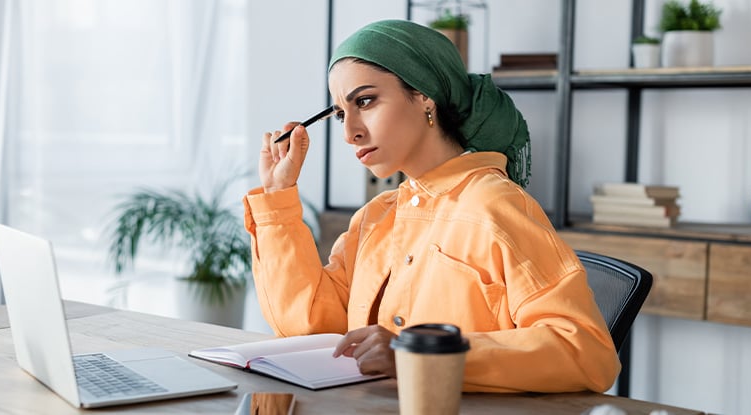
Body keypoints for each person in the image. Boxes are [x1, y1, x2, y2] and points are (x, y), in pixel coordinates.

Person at [242, 19, 620, 393]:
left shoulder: (494, 207)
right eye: (342, 113)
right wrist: (278, 195)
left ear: (425, 97)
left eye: (365, 101)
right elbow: (312, 328)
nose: (349, 131)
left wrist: (419, 354)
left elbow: (586, 351)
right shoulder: (376, 218)